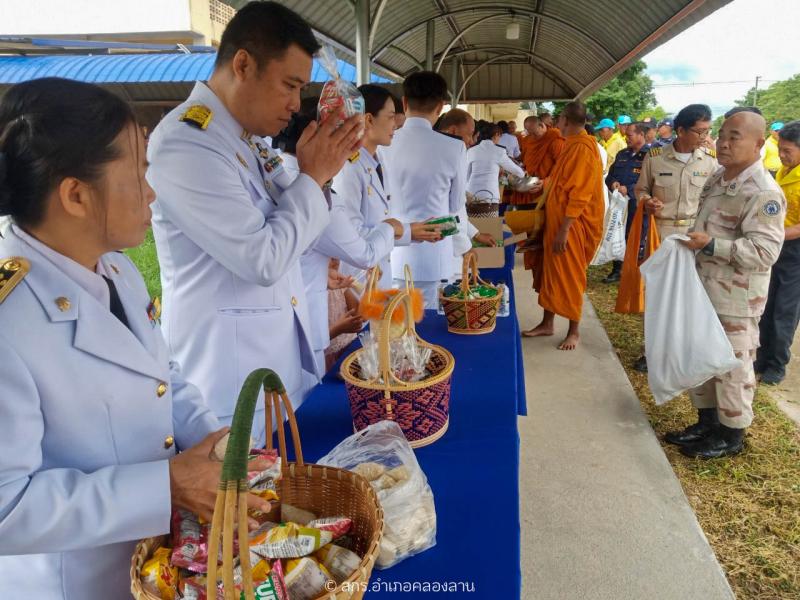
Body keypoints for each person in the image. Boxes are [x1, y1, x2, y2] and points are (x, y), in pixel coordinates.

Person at [0, 78, 277, 599]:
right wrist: (167, 485)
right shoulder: (9, 324)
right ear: (76, 195)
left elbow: (161, 376)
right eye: (137, 172)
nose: (151, 191)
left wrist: (217, 445)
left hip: (155, 563)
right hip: (78, 584)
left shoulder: (116, 270)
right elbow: (6, 508)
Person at [146, 2, 363, 440]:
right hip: (227, 388)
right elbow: (261, 259)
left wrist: (318, 175)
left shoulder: (249, 143)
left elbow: (298, 223)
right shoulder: (188, 144)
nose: (294, 103)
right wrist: (314, 175)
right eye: (289, 85)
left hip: (273, 371)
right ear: (243, 64)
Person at [669, 111, 785, 459]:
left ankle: (731, 434)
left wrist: (709, 244)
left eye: (735, 136)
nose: (723, 142)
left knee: (733, 366)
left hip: (736, 298)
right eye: (721, 134)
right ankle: (707, 423)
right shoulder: (719, 178)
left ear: (759, 144)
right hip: (704, 289)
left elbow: (764, 252)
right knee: (702, 358)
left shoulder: (763, 192)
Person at [272, 90, 401, 375]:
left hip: (300, 309)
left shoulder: (284, 175)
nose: (350, 146)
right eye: (342, 136)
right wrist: (391, 228)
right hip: (304, 319)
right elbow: (362, 253)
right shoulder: (313, 189)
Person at [633, 103, 718, 371]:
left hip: (695, 236)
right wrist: (647, 202)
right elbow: (640, 189)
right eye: (699, 131)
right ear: (680, 130)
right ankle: (653, 351)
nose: (704, 137)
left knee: (691, 295)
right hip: (663, 234)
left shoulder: (710, 162)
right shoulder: (656, 158)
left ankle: (684, 349)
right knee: (658, 294)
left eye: (707, 131)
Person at [522, 102, 605, 350]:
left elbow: (580, 193)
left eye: (558, 121)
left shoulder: (583, 148)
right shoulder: (571, 145)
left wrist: (565, 229)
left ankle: (574, 331)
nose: (555, 125)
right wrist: (545, 184)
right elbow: (561, 179)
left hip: (572, 225)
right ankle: (547, 323)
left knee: (570, 276)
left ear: (566, 120)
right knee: (550, 272)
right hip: (556, 219)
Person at [384, 71, 468, 307]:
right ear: (440, 107)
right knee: (429, 333)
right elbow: (454, 205)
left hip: (391, 249)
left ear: (404, 102)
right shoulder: (454, 148)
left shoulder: (384, 144)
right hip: (435, 254)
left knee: (395, 327)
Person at [756, 120, 800, 385]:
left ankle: (776, 364)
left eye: (787, 151)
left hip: (794, 252)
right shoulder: (783, 172)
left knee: (785, 310)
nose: (782, 155)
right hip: (774, 247)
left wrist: (777, 234)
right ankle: (761, 356)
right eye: (780, 149)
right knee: (766, 304)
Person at [601, 122, 652, 283]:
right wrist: (613, 183)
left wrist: (629, 189)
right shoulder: (622, 154)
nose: (626, 138)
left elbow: (652, 182)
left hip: (637, 206)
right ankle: (617, 270)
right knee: (617, 235)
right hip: (619, 206)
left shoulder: (651, 155)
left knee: (636, 237)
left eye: (629, 135)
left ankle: (634, 273)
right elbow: (610, 176)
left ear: (641, 135)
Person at [467, 121, 524, 201]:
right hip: (489, 195)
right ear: (496, 135)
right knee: (489, 213)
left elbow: (467, 175)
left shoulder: (471, 151)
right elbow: (517, 171)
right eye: (499, 136)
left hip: (471, 194)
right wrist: (522, 174)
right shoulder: (499, 151)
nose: (499, 139)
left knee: (473, 214)